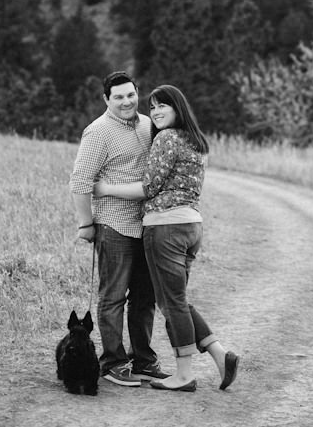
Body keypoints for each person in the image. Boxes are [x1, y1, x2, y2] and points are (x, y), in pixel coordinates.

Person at [93, 84, 240, 393]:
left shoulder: (167, 138)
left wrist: (105, 189)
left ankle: (184, 374)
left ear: (178, 109)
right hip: (191, 227)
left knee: (172, 303)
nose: (156, 111)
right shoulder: (196, 141)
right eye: (153, 106)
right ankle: (218, 353)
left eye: (163, 106)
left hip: (165, 229)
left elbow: (148, 187)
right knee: (177, 299)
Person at [69, 71, 168, 386]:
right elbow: (80, 181)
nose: (127, 101)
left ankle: (143, 361)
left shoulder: (147, 124)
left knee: (145, 296)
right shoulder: (98, 132)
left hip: (149, 225)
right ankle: (113, 362)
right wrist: (86, 224)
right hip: (114, 225)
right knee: (113, 296)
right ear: (106, 100)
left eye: (131, 95)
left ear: (137, 93)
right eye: (119, 97)